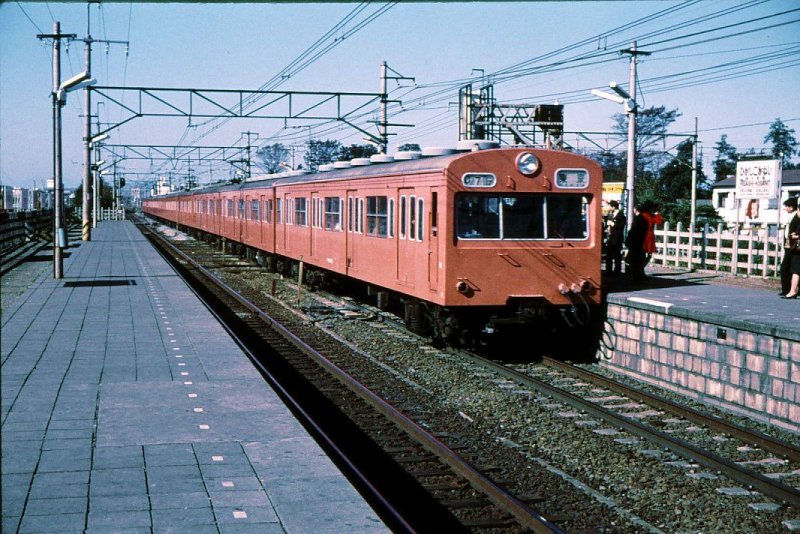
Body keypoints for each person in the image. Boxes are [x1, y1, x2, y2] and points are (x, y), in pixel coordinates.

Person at [780, 196, 800, 299]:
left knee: (788, 268)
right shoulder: (791, 216)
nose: (785, 208)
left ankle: (789, 290)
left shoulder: (796, 216)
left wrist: (795, 234)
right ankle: (788, 290)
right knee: (790, 268)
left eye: (786, 206)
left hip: (794, 246)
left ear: (792, 207)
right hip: (790, 245)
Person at [624, 203, 648, 280]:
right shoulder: (644, 219)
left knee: (633, 260)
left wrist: (628, 240)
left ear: (636, 209)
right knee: (639, 260)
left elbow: (633, 232)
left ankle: (635, 276)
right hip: (641, 242)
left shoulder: (637, 219)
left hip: (635, 243)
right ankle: (639, 275)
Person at [604, 200, 625, 275]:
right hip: (610, 237)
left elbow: (621, 226)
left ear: (613, 207)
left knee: (616, 254)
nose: (608, 208)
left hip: (617, 237)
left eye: (610, 206)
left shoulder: (621, 215)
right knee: (609, 254)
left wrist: (613, 224)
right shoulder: (611, 214)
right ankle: (608, 270)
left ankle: (617, 271)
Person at [640, 200, 663, 266]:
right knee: (642, 253)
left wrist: (656, 213)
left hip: (650, 236)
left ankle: (642, 267)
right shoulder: (643, 215)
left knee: (649, 254)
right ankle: (640, 269)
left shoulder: (652, 216)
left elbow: (659, 222)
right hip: (644, 235)